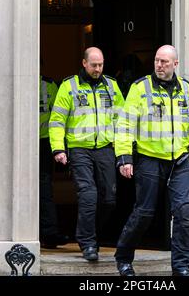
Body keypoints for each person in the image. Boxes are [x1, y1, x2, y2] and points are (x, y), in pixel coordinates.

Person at [114, 45, 189, 276]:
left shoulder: (187, 90)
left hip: (180, 161)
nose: (159, 65)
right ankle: (123, 258)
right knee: (144, 213)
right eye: (156, 60)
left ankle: (181, 267)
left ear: (175, 64)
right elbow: (125, 125)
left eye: (164, 61)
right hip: (149, 159)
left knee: (185, 213)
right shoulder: (140, 88)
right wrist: (124, 158)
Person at [49, 47, 125, 261]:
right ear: (84, 63)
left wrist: (124, 151)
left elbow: (122, 120)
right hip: (79, 148)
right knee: (88, 195)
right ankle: (88, 243)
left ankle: (92, 233)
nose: (98, 69)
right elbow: (57, 121)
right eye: (94, 65)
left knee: (109, 199)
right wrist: (58, 148)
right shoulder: (69, 86)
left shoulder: (112, 85)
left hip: (105, 148)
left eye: (101, 65)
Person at [39, 75, 70, 249]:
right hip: (23, 140)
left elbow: (59, 116)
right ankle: (46, 232)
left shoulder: (50, 85)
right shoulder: (49, 85)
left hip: (45, 142)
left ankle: (49, 233)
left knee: (45, 188)